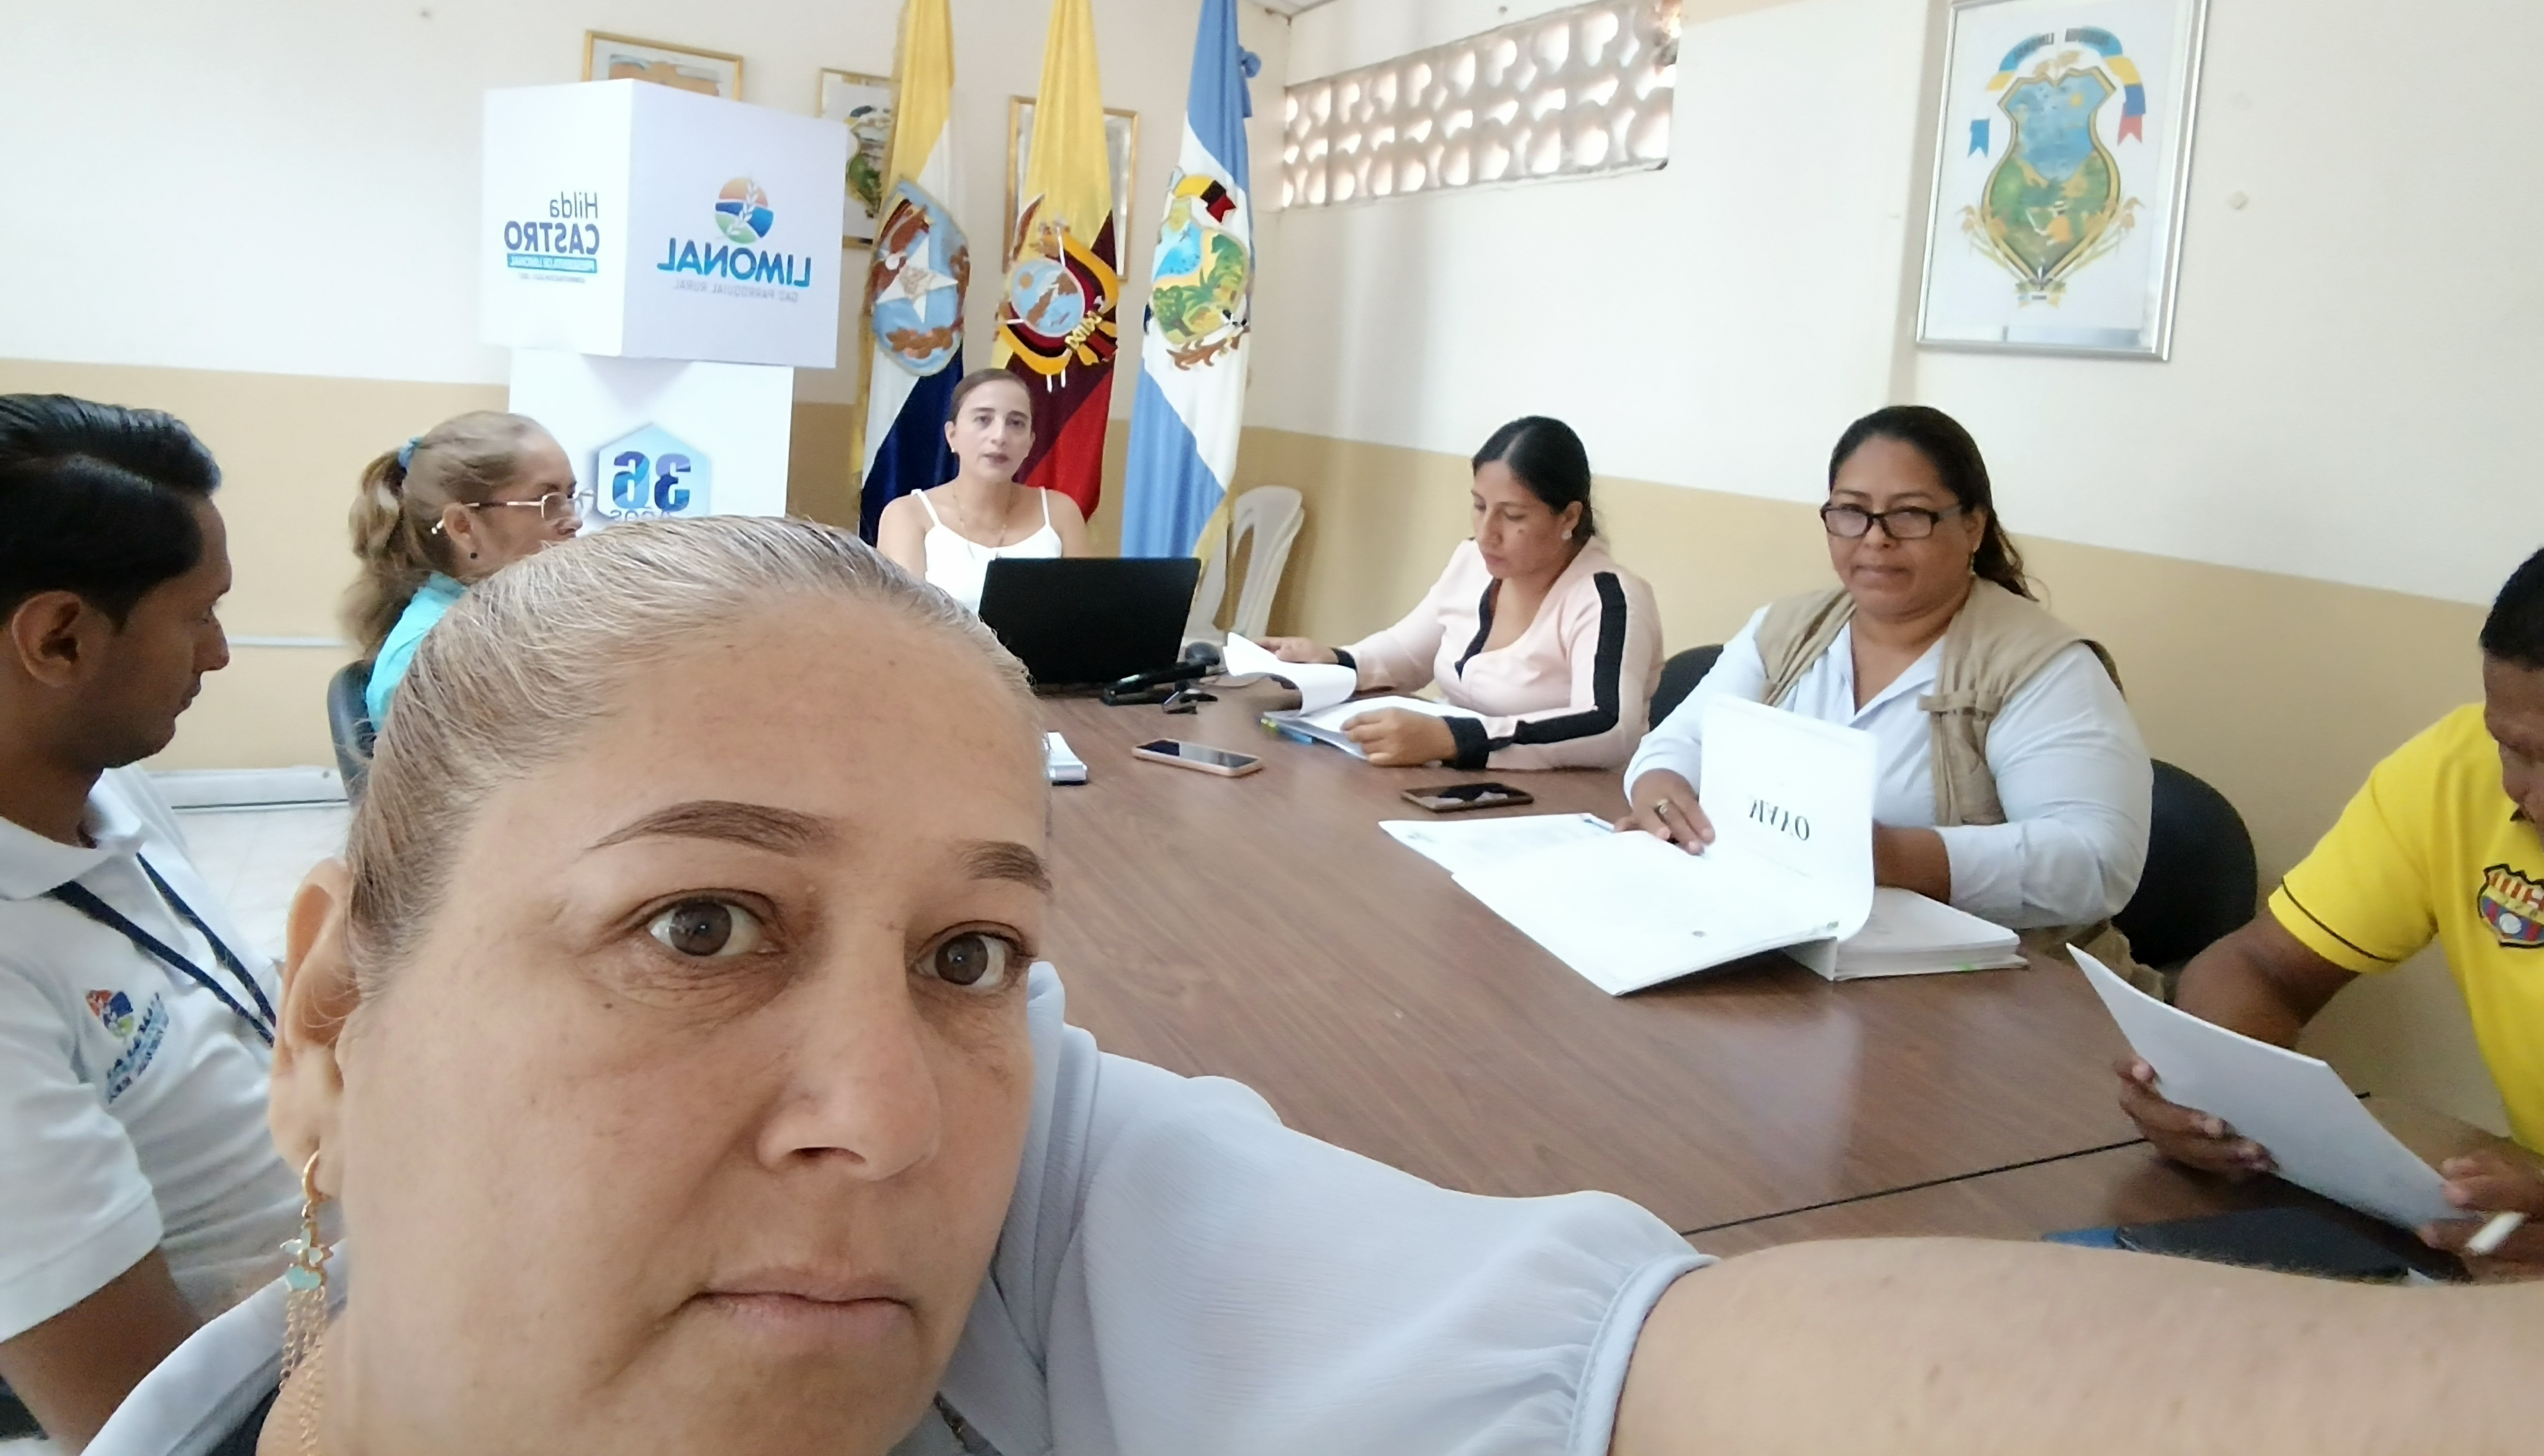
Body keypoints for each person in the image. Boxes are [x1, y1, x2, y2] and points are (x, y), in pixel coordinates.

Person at [86, 516, 2544, 1456]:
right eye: (699, 923)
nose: (888, 1109)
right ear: (336, 1024)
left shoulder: (1025, 1182)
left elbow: (1656, 1373)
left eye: (972, 951)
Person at [0, 396, 300, 1452]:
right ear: (61, 639)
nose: (217, 654)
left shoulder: (100, 789)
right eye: (199, 614)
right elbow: (144, 1424)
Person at [2118, 546, 2544, 1264]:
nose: (2526, 794)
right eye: (2516, 750)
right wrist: (2216, 1096)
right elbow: (2262, 964)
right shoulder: (2454, 772)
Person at [1621, 406, 2150, 949]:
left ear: (1973, 526)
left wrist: (1891, 855)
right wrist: (1662, 791)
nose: (1876, 538)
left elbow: (2099, 859)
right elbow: (1682, 740)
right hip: (1786, 941)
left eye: (1910, 514)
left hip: (1990, 980)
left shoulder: (2041, 667)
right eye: (1852, 512)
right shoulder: (1785, 630)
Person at [1263, 417, 1662, 770]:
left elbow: (1609, 726)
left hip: (1561, 800)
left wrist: (1454, 740)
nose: (1488, 533)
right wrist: (1334, 661)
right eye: (1480, 507)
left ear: (1569, 517)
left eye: (1513, 516)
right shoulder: (1472, 561)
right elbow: (1407, 653)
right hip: (1460, 784)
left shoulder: (1609, 599)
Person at [344, 412, 580, 729]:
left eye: (570, 497)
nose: (573, 520)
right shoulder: (426, 657)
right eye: (546, 501)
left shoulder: (528, 620)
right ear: (462, 526)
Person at [874, 368, 1091, 611]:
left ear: (1030, 443)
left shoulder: (1061, 513)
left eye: (1016, 423)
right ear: (952, 435)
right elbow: (901, 622)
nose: (1000, 436)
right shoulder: (907, 515)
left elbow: (1084, 614)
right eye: (983, 420)